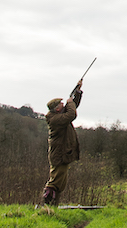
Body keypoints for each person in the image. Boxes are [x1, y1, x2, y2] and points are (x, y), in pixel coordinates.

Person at [41, 78, 83, 206]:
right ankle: (46, 204)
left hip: (61, 153)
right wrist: (70, 103)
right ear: (57, 109)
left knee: (60, 183)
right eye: (61, 104)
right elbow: (71, 114)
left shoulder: (57, 116)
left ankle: (52, 208)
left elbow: (72, 107)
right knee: (55, 182)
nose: (63, 105)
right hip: (59, 154)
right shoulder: (55, 120)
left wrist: (78, 91)